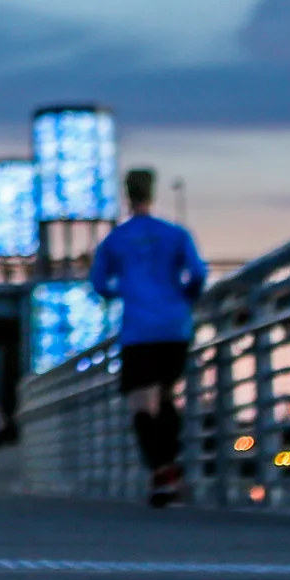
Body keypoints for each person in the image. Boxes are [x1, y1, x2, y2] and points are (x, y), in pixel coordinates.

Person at [88, 166, 207, 507]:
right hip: (173, 323)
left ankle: (158, 471)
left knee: (142, 403)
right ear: (153, 193)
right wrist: (183, 296)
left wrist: (124, 289)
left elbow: (99, 284)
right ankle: (170, 466)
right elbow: (197, 273)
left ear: (127, 194)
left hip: (138, 327)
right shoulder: (175, 233)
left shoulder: (116, 240)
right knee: (168, 396)